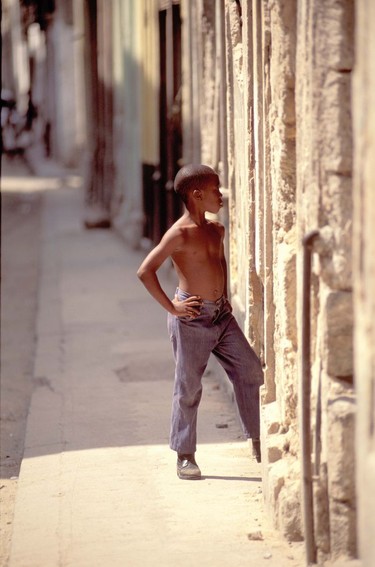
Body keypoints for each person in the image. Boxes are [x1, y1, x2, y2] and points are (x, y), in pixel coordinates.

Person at [137, 164, 263, 480]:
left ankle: (260, 439)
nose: (220, 196)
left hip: (222, 315)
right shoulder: (178, 234)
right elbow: (145, 271)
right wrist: (173, 308)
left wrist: (225, 296)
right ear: (196, 195)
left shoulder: (216, 230)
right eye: (215, 190)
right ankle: (185, 455)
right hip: (192, 319)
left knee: (249, 369)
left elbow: (217, 264)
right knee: (189, 387)